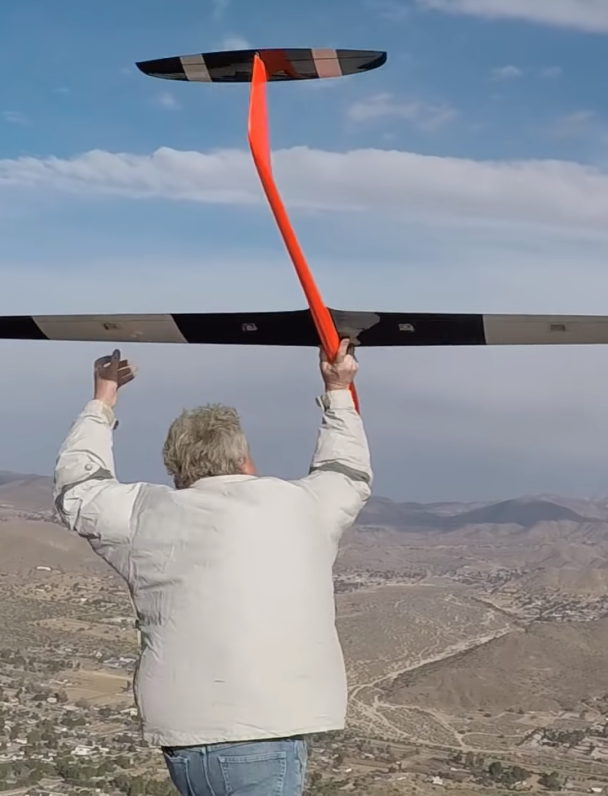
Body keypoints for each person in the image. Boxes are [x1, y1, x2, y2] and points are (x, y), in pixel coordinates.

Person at [51, 341, 370, 796]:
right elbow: (348, 471)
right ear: (244, 460)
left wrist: (102, 402)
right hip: (259, 731)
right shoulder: (302, 507)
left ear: (176, 471)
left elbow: (78, 485)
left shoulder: (144, 513)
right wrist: (339, 390)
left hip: (185, 732)